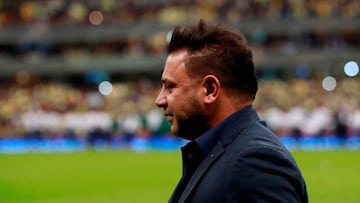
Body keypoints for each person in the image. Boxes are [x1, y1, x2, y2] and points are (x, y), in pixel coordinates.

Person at [155, 20, 308, 203]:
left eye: (170, 88)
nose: (160, 100)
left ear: (210, 90)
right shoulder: (219, 153)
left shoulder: (254, 163)